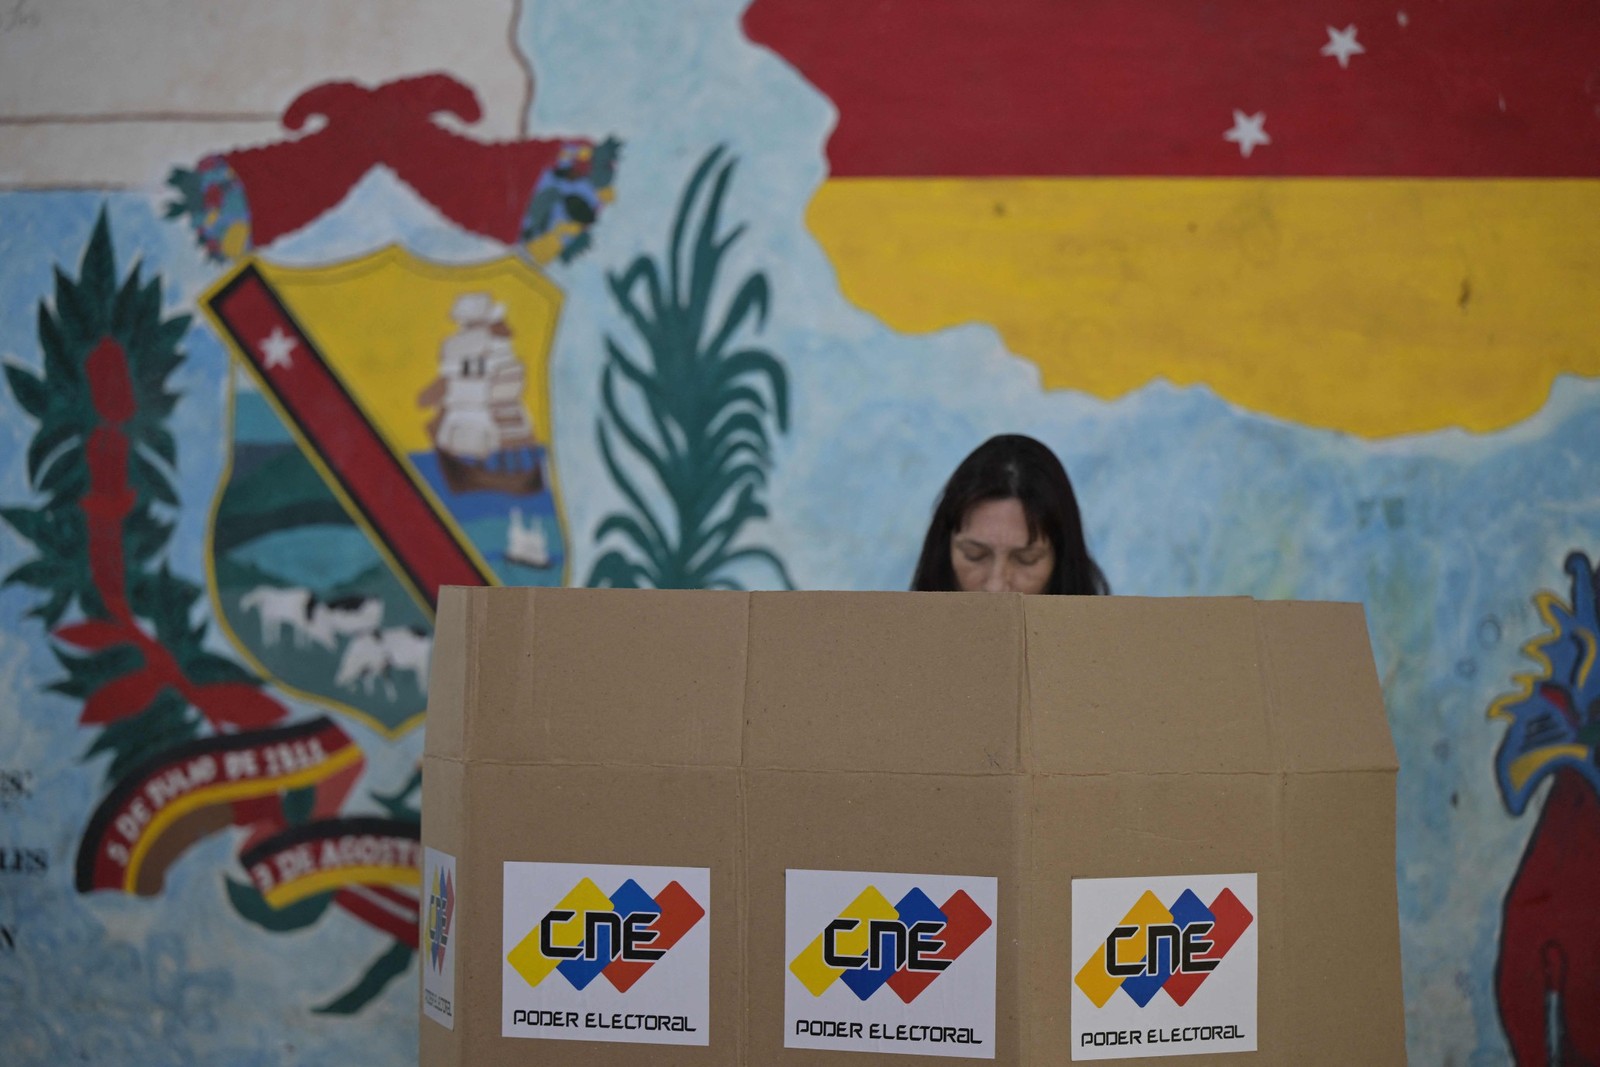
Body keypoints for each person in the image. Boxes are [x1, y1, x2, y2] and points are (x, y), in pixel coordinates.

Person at [911, 434, 1108, 595]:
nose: (996, 587)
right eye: (974, 555)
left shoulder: (1113, 642)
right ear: (943, 553)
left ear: (1061, 564)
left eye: (1026, 559)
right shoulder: (893, 640)